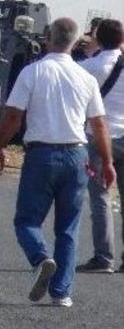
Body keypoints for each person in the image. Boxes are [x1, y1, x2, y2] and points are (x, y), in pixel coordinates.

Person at [0, 17, 116, 308]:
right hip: (76, 155)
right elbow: (99, 125)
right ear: (75, 42)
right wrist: (107, 163)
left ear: (48, 38)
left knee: (27, 220)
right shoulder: (86, 77)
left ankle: (40, 258)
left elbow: (12, 116)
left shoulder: (32, 72)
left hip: (41, 154)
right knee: (68, 228)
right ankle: (62, 293)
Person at [76, 19, 124, 274]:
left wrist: (88, 48)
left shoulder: (91, 65)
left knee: (101, 197)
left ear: (98, 37)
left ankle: (104, 257)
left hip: (99, 136)